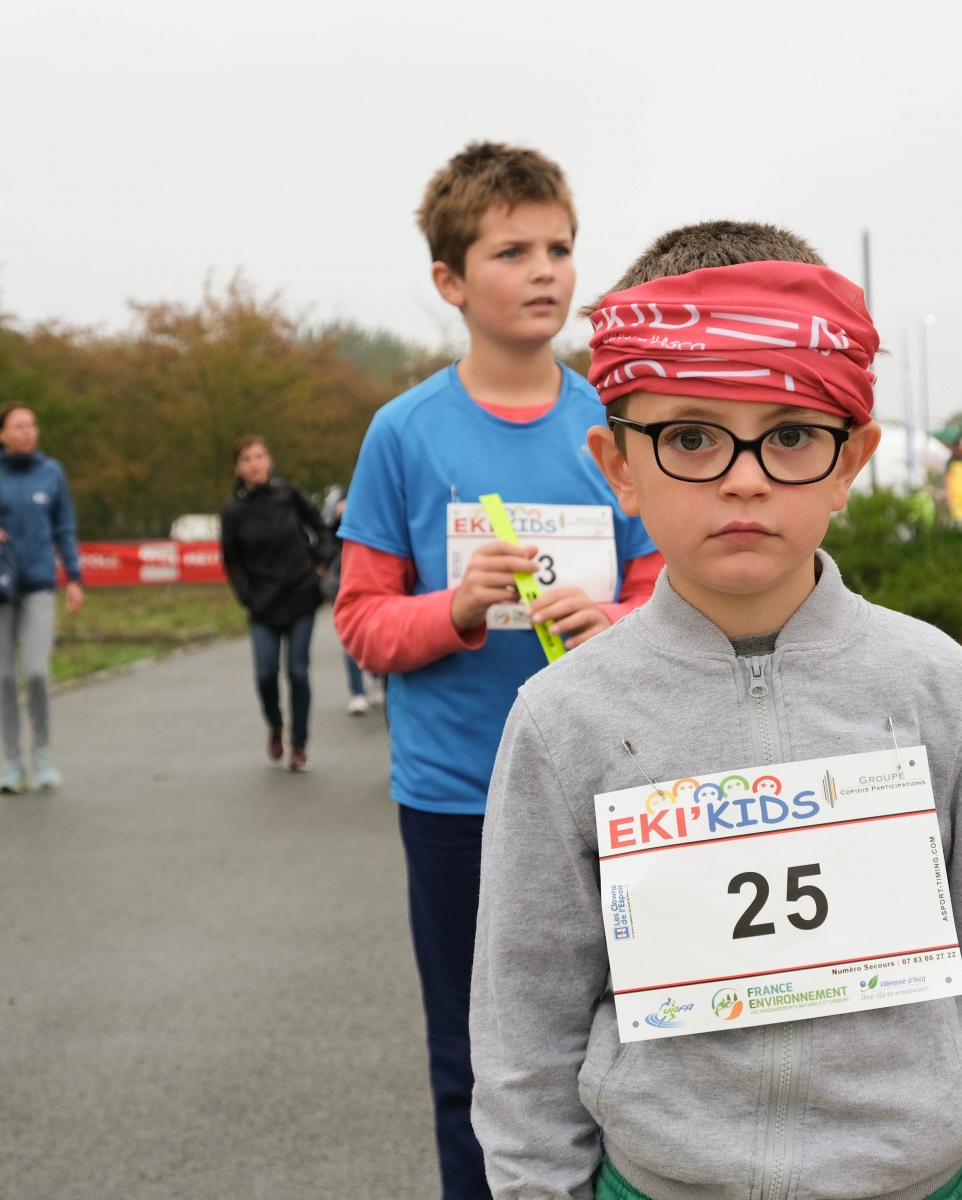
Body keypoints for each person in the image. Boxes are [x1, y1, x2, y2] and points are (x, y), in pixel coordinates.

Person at [471, 223, 962, 1200]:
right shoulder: (565, 720)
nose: (745, 475)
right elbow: (526, 1028)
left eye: (791, 436)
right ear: (618, 465)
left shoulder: (939, 689)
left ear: (851, 460)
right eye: (690, 436)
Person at [332, 141, 662, 1200]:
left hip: (614, 788)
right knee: (478, 1060)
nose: (545, 271)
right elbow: (362, 621)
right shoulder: (403, 434)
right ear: (450, 280)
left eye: (559, 248)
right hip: (457, 799)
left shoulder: (616, 422)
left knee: (633, 1040)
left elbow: (666, 585)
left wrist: (616, 620)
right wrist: (457, 608)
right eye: (512, 251)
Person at [0, 404, 84, 794]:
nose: (28, 432)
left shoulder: (52, 472)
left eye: (32, 425)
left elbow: (64, 527)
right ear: (1, 434)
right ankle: (11, 764)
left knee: (37, 673)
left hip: (39, 584)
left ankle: (42, 754)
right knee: (6, 677)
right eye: (19, 426)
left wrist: (74, 577)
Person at [219, 434, 329, 772]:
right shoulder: (232, 510)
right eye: (247, 459)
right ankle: (275, 724)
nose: (255, 464)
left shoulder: (290, 495)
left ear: (269, 460)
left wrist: (321, 563)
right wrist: (247, 596)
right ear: (237, 468)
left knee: (298, 671)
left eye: (260, 456)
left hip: (300, 593)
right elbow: (231, 560)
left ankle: (299, 745)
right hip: (262, 604)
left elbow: (321, 529)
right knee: (266, 674)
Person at [323, 494, 372, 715]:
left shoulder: (379, 494)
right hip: (347, 584)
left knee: (374, 636)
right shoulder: (340, 497)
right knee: (351, 638)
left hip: (375, 581)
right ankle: (357, 692)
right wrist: (338, 516)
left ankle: (378, 678)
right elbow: (328, 538)